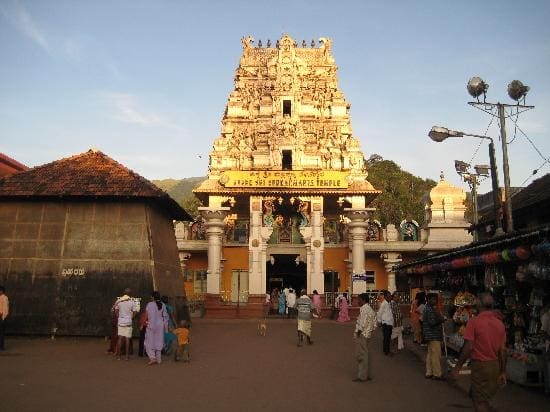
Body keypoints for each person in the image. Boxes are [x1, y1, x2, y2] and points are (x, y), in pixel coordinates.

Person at [451, 293, 507, 411]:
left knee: (480, 402)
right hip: (495, 365)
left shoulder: (474, 322)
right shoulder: (500, 324)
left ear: (479, 304)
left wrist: (458, 367)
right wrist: (502, 371)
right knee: (485, 399)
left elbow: (468, 347)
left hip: (480, 366)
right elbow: (502, 350)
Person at [353, 293, 377, 382]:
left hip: (362, 334)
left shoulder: (363, 309)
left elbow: (362, 323)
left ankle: (362, 376)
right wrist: (369, 330)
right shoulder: (370, 309)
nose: (357, 301)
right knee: (366, 354)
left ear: (363, 300)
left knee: (361, 355)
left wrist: (358, 332)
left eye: (358, 299)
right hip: (367, 334)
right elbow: (375, 323)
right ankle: (366, 375)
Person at [423, 293, 445, 380]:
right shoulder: (429, 309)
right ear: (428, 300)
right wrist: (441, 320)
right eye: (433, 299)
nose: (435, 301)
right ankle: (437, 374)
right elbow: (432, 322)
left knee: (430, 354)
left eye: (435, 299)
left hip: (430, 335)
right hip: (433, 334)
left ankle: (429, 372)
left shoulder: (430, 308)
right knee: (436, 354)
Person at [144, 291, 169, 365]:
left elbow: (146, 315)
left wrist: (144, 323)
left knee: (148, 342)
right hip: (160, 325)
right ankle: (159, 359)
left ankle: (152, 358)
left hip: (151, 325)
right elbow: (165, 317)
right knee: (159, 341)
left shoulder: (149, 304)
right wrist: (166, 328)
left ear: (153, 297)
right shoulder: (163, 305)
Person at [114, 288, 139, 360]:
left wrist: (119, 317)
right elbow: (135, 312)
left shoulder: (119, 300)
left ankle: (118, 357)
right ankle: (127, 357)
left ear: (123, 293)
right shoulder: (132, 302)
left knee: (120, 339)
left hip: (121, 322)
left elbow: (116, 311)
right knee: (127, 339)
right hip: (128, 322)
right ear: (130, 294)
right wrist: (131, 318)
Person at [376, 290, 394, 356]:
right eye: (389, 296)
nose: (390, 297)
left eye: (390, 296)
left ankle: (386, 350)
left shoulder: (389, 303)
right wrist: (379, 321)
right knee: (386, 338)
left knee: (388, 338)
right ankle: (386, 352)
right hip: (386, 323)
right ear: (385, 297)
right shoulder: (383, 304)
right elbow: (379, 313)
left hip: (389, 323)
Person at [540, 299, 550, 395]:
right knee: (547, 367)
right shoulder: (546, 316)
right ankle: (547, 388)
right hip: (548, 345)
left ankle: (548, 388)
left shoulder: (546, 316)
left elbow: (543, 332)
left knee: (547, 367)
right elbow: (543, 332)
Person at [0, 286, 9, 351]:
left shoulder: (5, 298)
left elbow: (5, 308)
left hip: (1, 316)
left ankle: (2, 346)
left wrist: (3, 317)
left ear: (2, 291)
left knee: (1, 332)